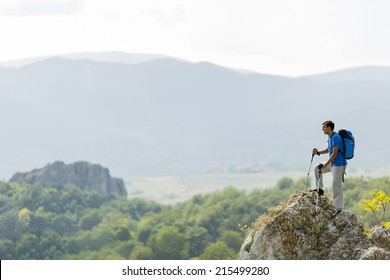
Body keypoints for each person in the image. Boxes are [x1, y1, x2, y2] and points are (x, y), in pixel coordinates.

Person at [312, 120, 347, 217]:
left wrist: (325, 165)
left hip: (339, 164)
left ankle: (339, 209)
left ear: (329, 127)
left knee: (336, 186)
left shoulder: (336, 137)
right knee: (316, 168)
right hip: (332, 163)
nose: (322, 129)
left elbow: (335, 154)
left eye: (324, 127)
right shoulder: (330, 138)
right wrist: (318, 152)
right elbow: (329, 150)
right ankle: (320, 189)